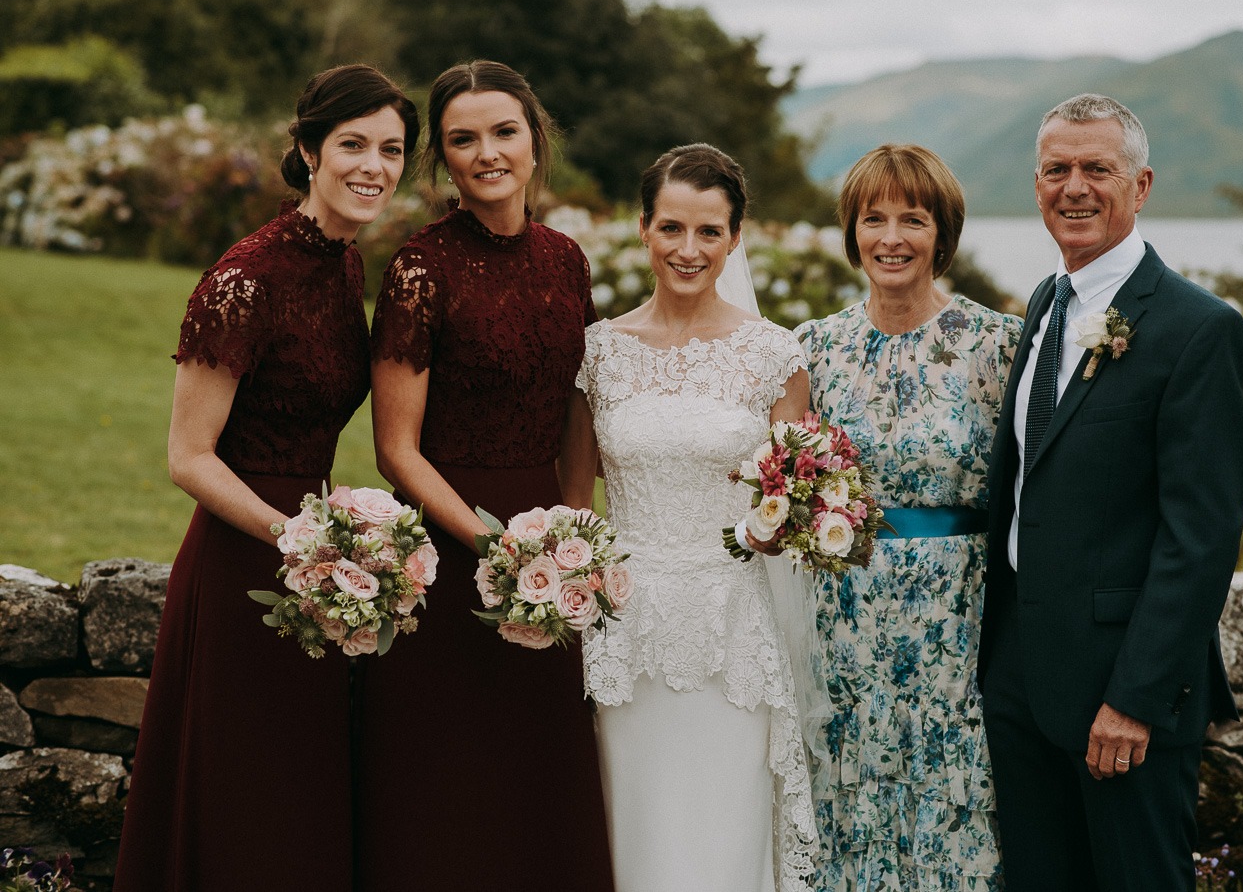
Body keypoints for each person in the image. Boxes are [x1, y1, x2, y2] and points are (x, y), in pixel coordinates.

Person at [113, 64, 417, 892]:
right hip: (246, 560)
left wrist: (330, 544)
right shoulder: (245, 277)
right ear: (309, 151)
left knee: (295, 795)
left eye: (390, 149)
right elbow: (188, 455)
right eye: (352, 144)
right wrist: (295, 537)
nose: (373, 166)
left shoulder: (346, 267)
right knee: (241, 794)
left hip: (315, 573)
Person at [977, 94, 1243, 891]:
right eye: (1056, 169)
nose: (1075, 187)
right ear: (1035, 187)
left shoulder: (1200, 329)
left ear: (1141, 186)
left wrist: (1134, 699)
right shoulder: (1043, 305)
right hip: (1019, 682)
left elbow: (1199, 537)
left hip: (1120, 697)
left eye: (1097, 168)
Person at [359, 60, 613, 891]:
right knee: (447, 782)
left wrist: (569, 533)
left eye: (504, 132)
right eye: (463, 139)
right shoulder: (420, 268)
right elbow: (394, 446)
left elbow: (580, 406)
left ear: (535, 140)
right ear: (445, 159)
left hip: (549, 558)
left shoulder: (567, 261)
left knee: (539, 774)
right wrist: (492, 547)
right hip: (446, 551)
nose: (487, 153)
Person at [560, 143, 818, 892]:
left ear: (736, 237)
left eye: (709, 232)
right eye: (672, 227)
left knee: (724, 827)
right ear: (643, 228)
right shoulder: (600, 352)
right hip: (624, 631)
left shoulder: (774, 354)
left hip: (731, 630)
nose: (689, 249)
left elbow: (792, 502)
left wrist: (778, 528)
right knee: (632, 823)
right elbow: (576, 503)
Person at [794, 144, 1018, 890]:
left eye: (912, 219)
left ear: (941, 233)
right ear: (852, 231)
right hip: (842, 618)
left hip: (957, 623)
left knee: (953, 802)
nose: (891, 237)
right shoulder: (813, 348)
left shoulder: (997, 346)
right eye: (874, 218)